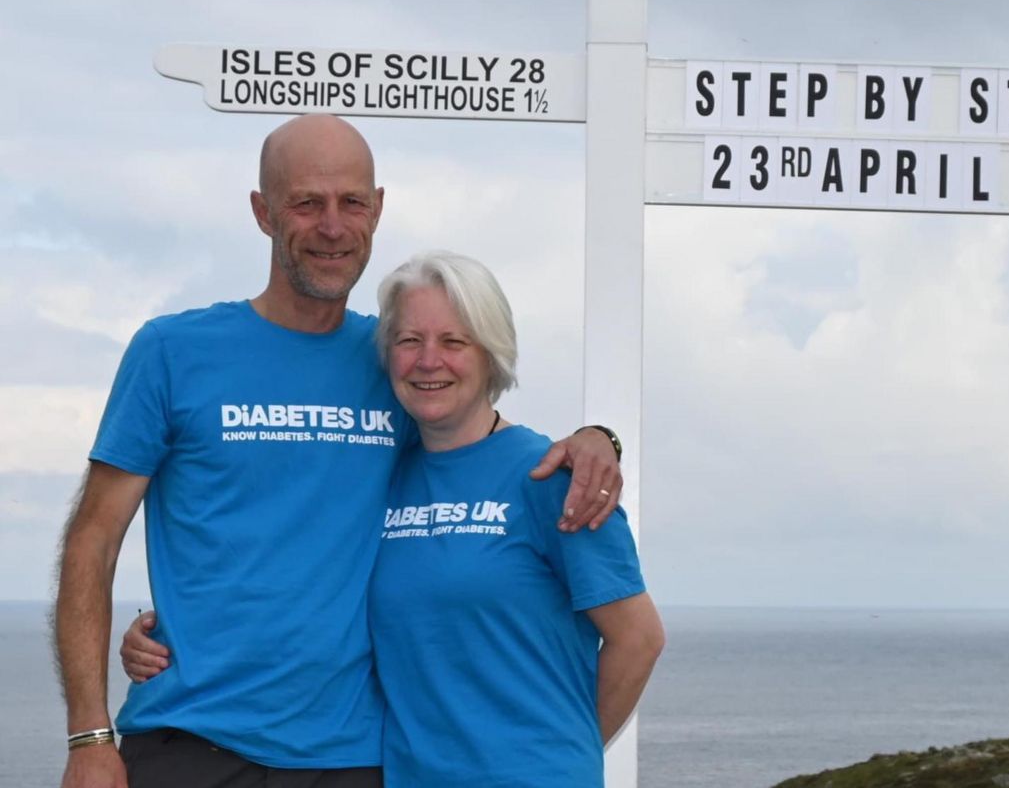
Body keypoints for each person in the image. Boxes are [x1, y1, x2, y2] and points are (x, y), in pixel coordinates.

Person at [55, 115, 623, 788]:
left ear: (377, 209)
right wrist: (90, 733)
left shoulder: (396, 360)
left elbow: (484, 443)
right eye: (306, 202)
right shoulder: (172, 351)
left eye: (351, 201)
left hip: (352, 756)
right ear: (262, 211)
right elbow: (93, 539)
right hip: (187, 737)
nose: (332, 225)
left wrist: (598, 439)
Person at [369, 249, 662, 786]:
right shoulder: (379, 479)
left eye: (454, 341)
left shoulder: (551, 477)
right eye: (409, 341)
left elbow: (639, 639)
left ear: (491, 354)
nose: (428, 360)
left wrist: (561, 755)